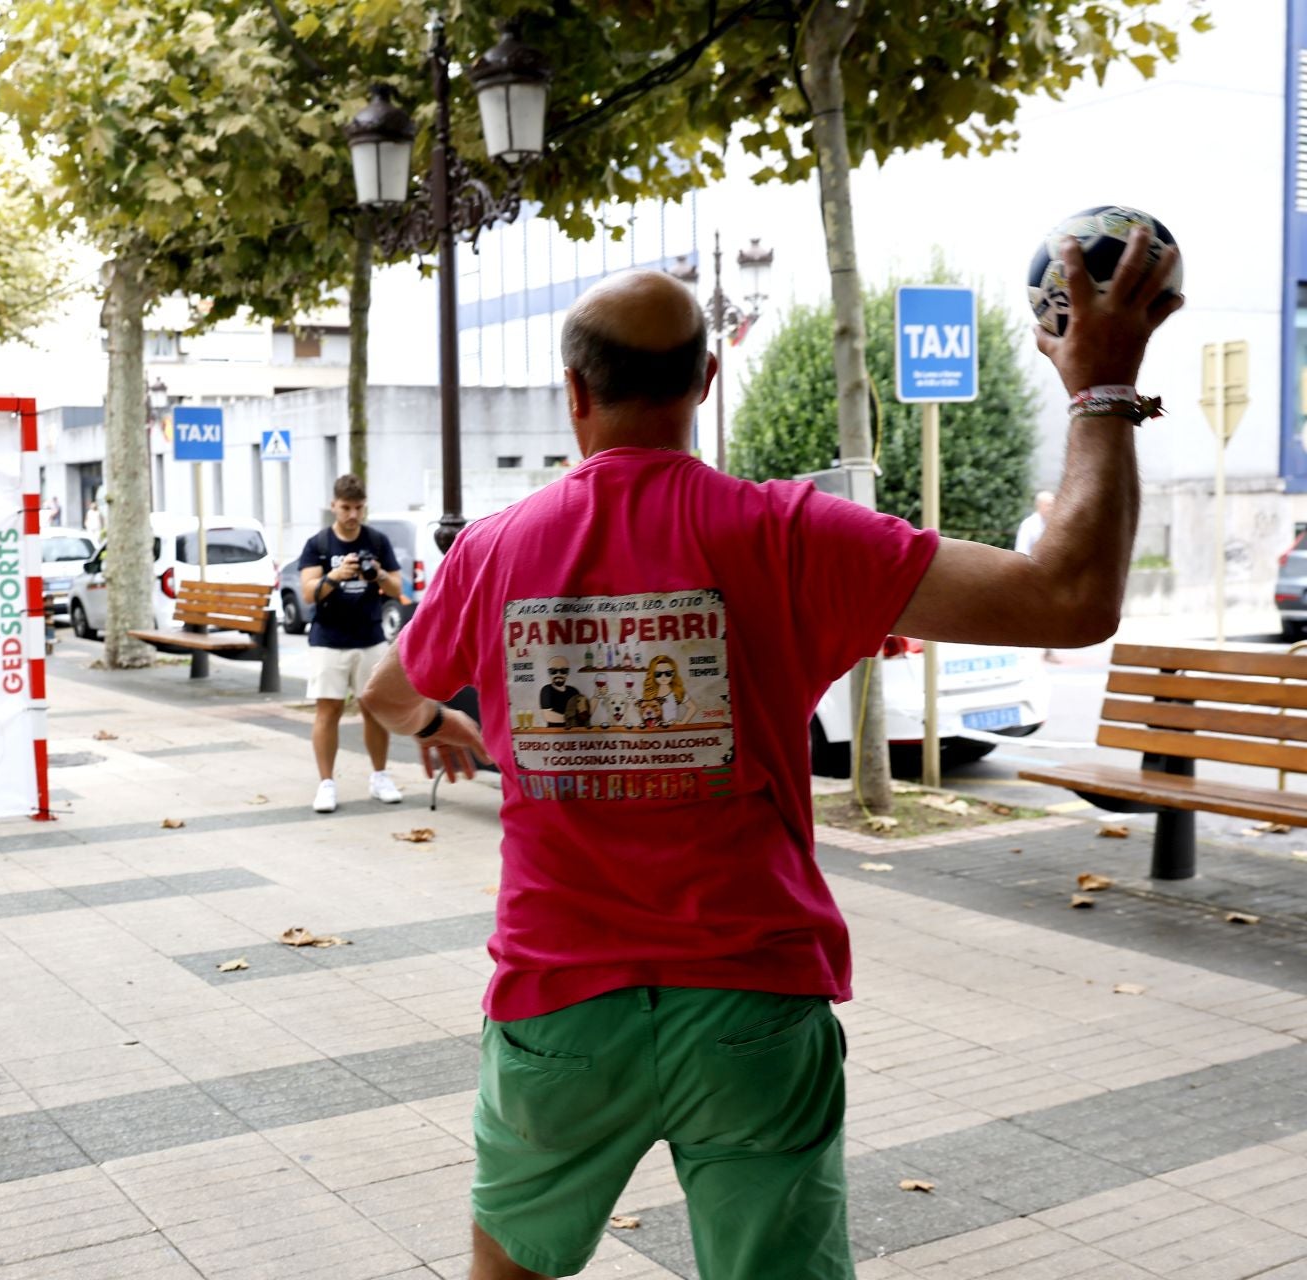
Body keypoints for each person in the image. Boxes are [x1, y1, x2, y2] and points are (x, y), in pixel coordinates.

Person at [360, 230, 1181, 1280]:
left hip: (557, 1007)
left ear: (574, 392)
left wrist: (439, 726)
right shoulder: (793, 535)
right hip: (751, 999)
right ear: (707, 378)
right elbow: (1071, 599)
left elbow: (387, 695)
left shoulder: (491, 551)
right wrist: (1102, 391)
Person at [299, 474, 406, 812]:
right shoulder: (318, 544)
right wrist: (335, 575)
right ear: (334, 506)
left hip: (370, 637)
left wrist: (378, 574)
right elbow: (308, 593)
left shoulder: (377, 541)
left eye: (359, 508)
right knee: (327, 711)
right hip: (328, 639)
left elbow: (396, 588)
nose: (352, 515)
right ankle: (326, 784)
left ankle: (380, 777)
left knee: (373, 709)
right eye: (346, 508)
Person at [1015, 492, 1060, 660]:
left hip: (1050, 577)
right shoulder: (1029, 525)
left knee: (1051, 613)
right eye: (1049, 504)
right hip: (1032, 576)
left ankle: (1048, 651)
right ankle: (1026, 651)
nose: (1052, 508)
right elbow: (1021, 551)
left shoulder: (1055, 524)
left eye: (1054, 504)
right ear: (1039, 506)